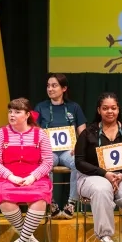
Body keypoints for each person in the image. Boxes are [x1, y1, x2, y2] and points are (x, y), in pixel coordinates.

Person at [75, 92, 122, 242]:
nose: (109, 111)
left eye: (113, 108)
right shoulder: (87, 133)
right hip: (92, 178)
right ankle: (106, 238)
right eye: (105, 108)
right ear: (99, 110)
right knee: (102, 188)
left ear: (118, 110)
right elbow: (79, 162)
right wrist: (104, 173)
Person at [0, 98, 54, 242]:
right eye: (10, 111)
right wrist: (11, 177)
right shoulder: (1, 134)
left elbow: (48, 162)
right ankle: (29, 239)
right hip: (6, 177)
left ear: (27, 115)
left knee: (40, 198)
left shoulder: (40, 134)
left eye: (17, 112)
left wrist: (33, 177)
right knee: (4, 197)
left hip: (34, 178)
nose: (12, 115)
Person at [34, 73, 87, 219]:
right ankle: (51, 203)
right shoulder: (40, 107)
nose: (50, 89)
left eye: (54, 85)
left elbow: (83, 132)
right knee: (45, 164)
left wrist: (79, 146)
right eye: (48, 86)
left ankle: (71, 203)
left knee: (79, 162)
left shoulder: (74, 107)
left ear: (64, 88)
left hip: (68, 152)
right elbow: (34, 130)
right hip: (48, 151)